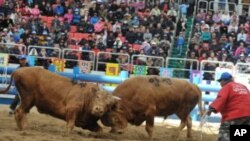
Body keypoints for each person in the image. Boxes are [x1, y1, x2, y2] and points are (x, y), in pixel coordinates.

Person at [207, 72, 250, 141]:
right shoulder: (243, 86)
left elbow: (221, 98)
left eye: (220, 81)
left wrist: (212, 108)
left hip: (234, 114)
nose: (220, 84)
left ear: (224, 80)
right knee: (240, 134)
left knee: (225, 132)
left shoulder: (227, 87)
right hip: (248, 115)